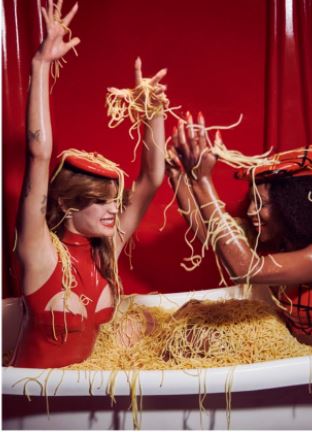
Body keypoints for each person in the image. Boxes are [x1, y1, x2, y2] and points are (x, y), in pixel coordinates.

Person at [12, 0, 167, 368]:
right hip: (30, 403)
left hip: (82, 403)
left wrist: (153, 112)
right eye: (102, 201)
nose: (115, 209)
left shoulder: (105, 252)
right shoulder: (40, 253)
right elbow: (38, 152)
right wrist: (40, 64)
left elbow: (151, 179)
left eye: (115, 199)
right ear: (67, 204)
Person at [166, 112, 312, 347]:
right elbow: (210, 234)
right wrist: (178, 175)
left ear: (293, 207)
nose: (252, 211)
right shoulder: (281, 241)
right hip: (287, 353)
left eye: (262, 204)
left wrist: (203, 181)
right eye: (251, 200)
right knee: (190, 319)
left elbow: (245, 269)